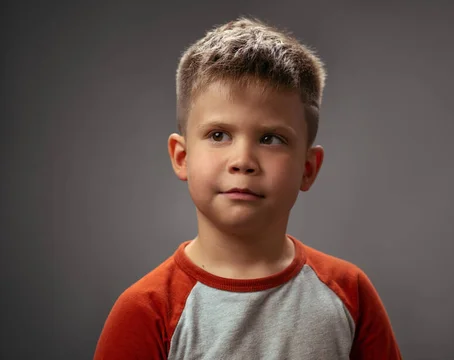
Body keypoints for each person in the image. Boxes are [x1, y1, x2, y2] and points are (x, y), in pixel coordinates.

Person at [94, 17, 402, 360]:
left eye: (271, 139)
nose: (243, 160)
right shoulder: (146, 310)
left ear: (308, 168)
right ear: (182, 157)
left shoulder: (349, 293)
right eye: (218, 135)